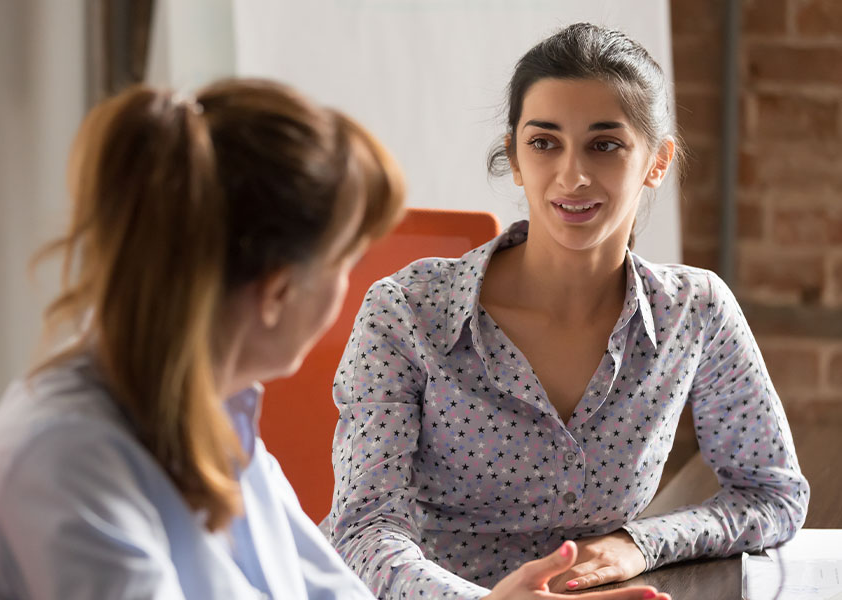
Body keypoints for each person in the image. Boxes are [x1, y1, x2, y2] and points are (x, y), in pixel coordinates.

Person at [0, 77, 670, 600]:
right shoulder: (66, 463)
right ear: (277, 290)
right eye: (344, 263)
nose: (354, 290)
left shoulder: (218, 421)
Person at [324, 22, 810, 599]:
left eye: (604, 145)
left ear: (656, 161)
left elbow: (772, 494)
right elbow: (363, 527)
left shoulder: (695, 312)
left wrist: (640, 542)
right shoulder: (405, 313)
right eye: (543, 142)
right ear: (514, 156)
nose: (572, 175)